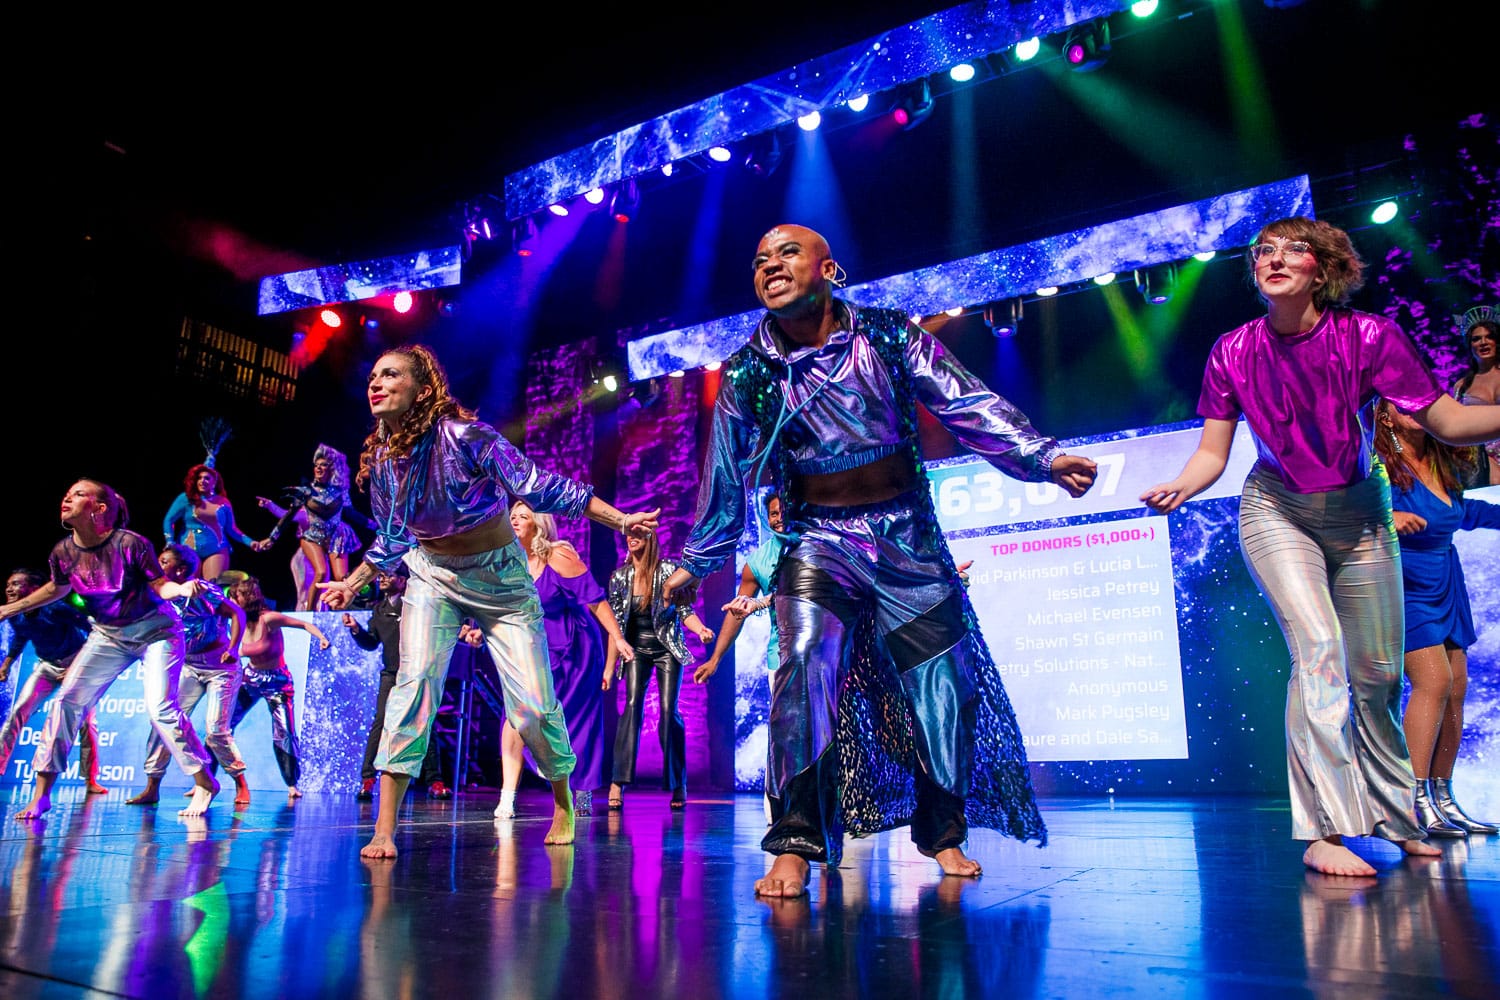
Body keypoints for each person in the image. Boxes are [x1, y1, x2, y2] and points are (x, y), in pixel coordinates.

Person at [662, 224, 1098, 897]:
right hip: (817, 541)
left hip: (905, 539)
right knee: (802, 665)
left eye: (787, 254)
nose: (770, 265)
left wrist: (1040, 457)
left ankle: (943, 833)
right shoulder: (749, 372)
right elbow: (724, 476)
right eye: (759, 259)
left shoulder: (889, 337)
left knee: (945, 685)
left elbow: (966, 403)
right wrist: (698, 559)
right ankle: (795, 844)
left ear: (828, 269)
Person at [1139, 217, 1500, 877]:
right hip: (1277, 507)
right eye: (1263, 252)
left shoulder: (1368, 336)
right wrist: (1181, 487)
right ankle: (1325, 833)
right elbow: (1212, 453)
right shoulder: (1232, 350)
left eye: (1291, 249)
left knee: (1380, 675)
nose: (1273, 259)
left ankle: (1397, 817)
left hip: (1362, 511)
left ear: (1322, 267)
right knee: (1320, 653)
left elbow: (1448, 420)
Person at [315, 343, 660, 860]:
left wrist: (621, 520)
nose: (376, 383)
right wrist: (355, 581)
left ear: (422, 390)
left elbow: (542, 488)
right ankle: (384, 828)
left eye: (391, 375)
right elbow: (392, 539)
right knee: (412, 690)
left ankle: (563, 799)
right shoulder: (384, 463)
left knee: (532, 708)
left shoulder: (466, 437)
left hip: (501, 581)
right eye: (373, 376)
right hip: (432, 576)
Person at [0, 479, 221, 819]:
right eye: (67, 493)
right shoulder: (62, 552)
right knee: (65, 703)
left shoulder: (130, 544)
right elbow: (55, 589)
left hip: (156, 631)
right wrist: (8, 609)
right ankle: (42, 795)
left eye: (77, 494)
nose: (66, 497)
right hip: (108, 635)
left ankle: (205, 781)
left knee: (161, 708)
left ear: (99, 508)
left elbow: (160, 586)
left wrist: (181, 588)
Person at [1373, 396, 1499, 838]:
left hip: (1447, 582)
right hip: (1405, 585)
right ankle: (1412, 801)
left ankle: (1444, 799)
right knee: (1434, 682)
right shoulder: (1376, 466)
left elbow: (1462, 513)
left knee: (1457, 689)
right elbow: (1343, 512)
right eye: (1406, 407)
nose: (1419, 412)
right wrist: (1389, 513)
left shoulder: (1439, 460)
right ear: (1386, 416)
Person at [496, 500, 630, 819]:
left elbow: (595, 600)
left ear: (538, 524)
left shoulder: (559, 555)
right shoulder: (505, 562)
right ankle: (507, 796)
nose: (514, 521)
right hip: (532, 651)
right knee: (516, 717)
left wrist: (619, 637)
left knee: (574, 724)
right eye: (511, 516)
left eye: (523, 516)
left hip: (575, 651)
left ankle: (580, 793)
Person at [125, 544, 252, 808]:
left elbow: (237, 612)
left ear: (180, 569)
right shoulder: (157, 595)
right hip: (189, 667)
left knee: (216, 731)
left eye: (163, 561)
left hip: (221, 669)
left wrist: (233, 648)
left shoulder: (205, 591)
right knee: (163, 720)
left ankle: (240, 783)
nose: (157, 565)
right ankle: (152, 786)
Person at [607, 526, 714, 811]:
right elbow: (614, 626)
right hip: (635, 648)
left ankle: (678, 783)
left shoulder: (669, 571)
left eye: (639, 534)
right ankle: (618, 781)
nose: (632, 538)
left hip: (667, 647)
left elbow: (684, 611)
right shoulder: (620, 577)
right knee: (631, 706)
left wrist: (700, 629)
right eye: (629, 534)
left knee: (669, 711)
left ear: (651, 539)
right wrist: (609, 668)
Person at [694, 491, 784, 823]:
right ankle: (777, 815)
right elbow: (737, 612)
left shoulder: (814, 546)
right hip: (781, 658)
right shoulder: (758, 561)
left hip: (825, 654)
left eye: (784, 510)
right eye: (773, 513)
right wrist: (716, 657)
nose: (779, 518)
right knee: (782, 736)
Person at [342, 564, 461, 802]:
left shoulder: (416, 605)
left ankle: (434, 781)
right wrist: (356, 630)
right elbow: (372, 642)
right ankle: (367, 779)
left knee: (422, 723)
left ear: (404, 580)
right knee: (381, 723)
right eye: (381, 575)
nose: (383, 578)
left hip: (416, 673)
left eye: (389, 575)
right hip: (391, 674)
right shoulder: (380, 610)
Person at [222, 574, 328, 798]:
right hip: (250, 679)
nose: (233, 601)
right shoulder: (238, 621)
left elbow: (304, 624)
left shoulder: (268, 619)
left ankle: (292, 785)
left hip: (276, 682)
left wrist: (321, 638)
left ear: (248, 597)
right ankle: (207, 781)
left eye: (236, 596)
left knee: (284, 733)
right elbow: (237, 650)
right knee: (221, 726)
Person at [0, 569, 105, 794]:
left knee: (88, 724)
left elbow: (94, 632)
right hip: (46, 666)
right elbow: (21, 637)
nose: (10, 589)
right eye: (8, 584)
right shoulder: (16, 615)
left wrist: (77, 667)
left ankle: (91, 780)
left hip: (76, 665)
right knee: (17, 713)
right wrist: (7, 663)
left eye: (17, 584)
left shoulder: (55, 608)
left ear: (33, 590)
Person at [253, 443, 362, 611]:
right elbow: (289, 515)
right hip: (312, 537)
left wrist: (376, 526)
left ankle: (339, 612)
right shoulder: (305, 491)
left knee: (342, 578)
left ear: (332, 468)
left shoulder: (341, 491)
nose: (318, 468)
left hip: (336, 537)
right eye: (316, 465)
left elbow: (352, 514)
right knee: (321, 573)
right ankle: (310, 613)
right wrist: (271, 538)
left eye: (323, 465)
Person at [162, 463, 258, 582]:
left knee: (212, 588)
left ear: (214, 482)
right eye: (199, 478)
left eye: (207, 478)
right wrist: (169, 541)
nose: (202, 481)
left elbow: (232, 529)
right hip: (189, 551)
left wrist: (251, 542)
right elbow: (169, 520)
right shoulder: (185, 498)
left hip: (217, 550)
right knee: (188, 586)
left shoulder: (223, 502)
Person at [1449, 305, 1499, 483]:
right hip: (1481, 464)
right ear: (1469, 345)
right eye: (1476, 339)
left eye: (1489, 337)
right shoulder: (1461, 386)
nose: (1483, 342)